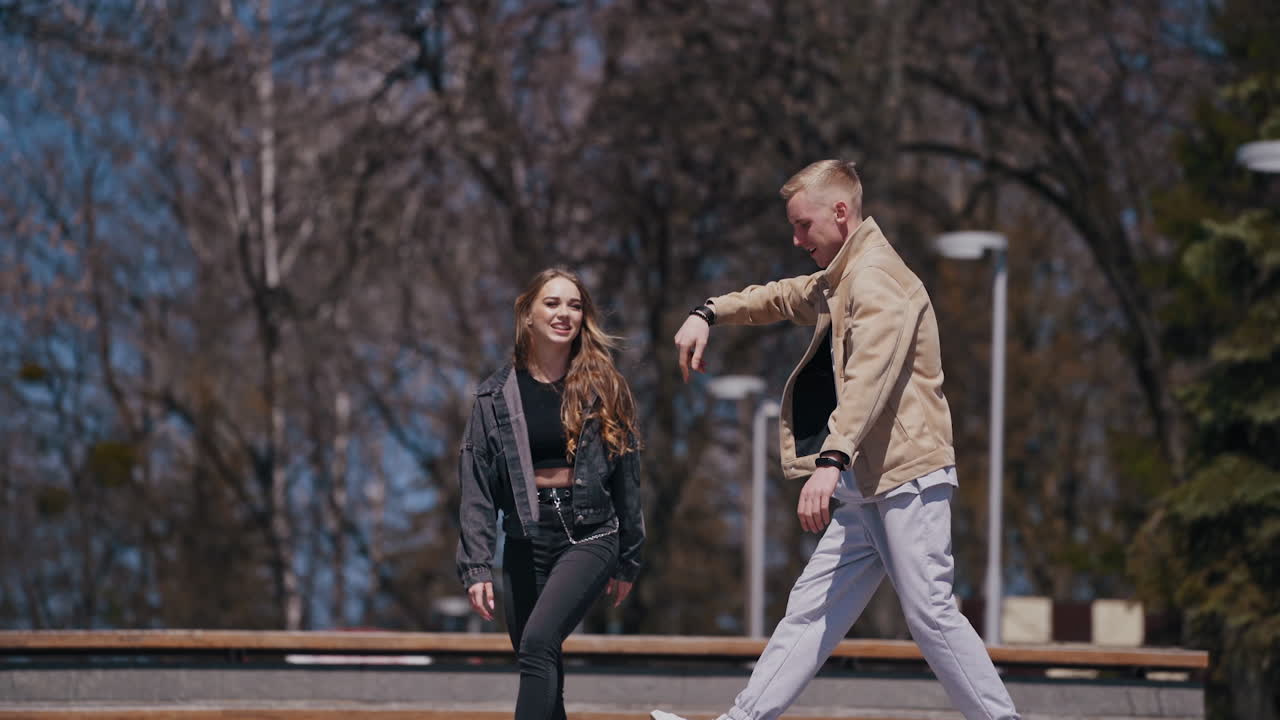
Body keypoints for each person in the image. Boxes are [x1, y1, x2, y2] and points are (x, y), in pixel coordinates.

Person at [653, 160, 1019, 720]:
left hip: (906, 478)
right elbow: (780, 298)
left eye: (803, 226)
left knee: (931, 614)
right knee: (811, 612)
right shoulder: (842, 278)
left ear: (841, 213)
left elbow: (869, 378)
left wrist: (831, 459)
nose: (796, 239)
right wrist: (709, 312)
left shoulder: (877, 281)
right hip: (866, 483)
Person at [457, 267, 645, 720]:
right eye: (553, 303)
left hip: (590, 534)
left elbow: (628, 474)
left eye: (575, 305)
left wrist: (628, 558)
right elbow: (477, 486)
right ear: (528, 315)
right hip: (525, 536)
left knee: (539, 643)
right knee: (541, 665)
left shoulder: (604, 387)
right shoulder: (494, 397)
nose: (565, 313)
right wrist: (477, 564)